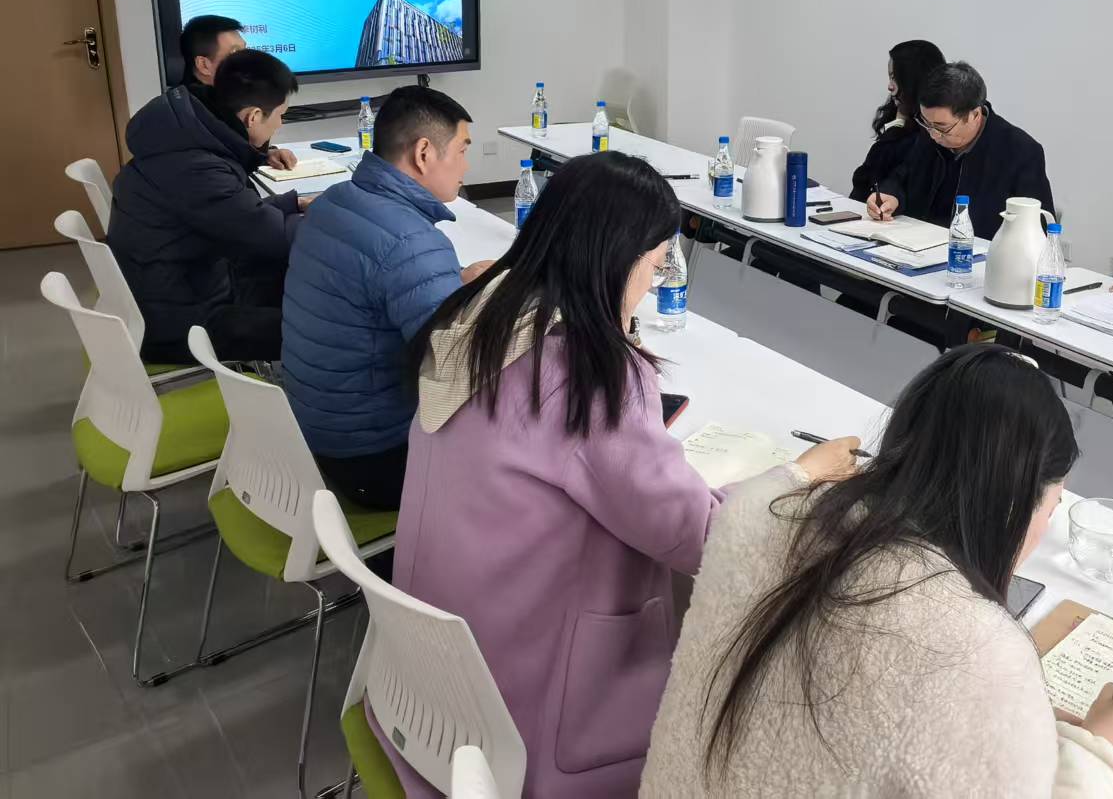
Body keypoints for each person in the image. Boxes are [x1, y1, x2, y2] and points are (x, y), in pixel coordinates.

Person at [378, 152, 860, 799]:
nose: (654, 282)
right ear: (617, 259)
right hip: (523, 726)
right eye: (655, 264)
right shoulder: (585, 371)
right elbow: (703, 536)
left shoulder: (482, 314)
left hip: (428, 693)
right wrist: (798, 473)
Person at [641, 345, 1113, 798]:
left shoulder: (760, 510)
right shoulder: (978, 653)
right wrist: (1108, 755)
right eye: (1053, 503)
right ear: (1010, 505)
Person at [280, 86, 495, 512]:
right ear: (423, 153)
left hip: (314, 428)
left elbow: (374, 289)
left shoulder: (334, 202)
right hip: (375, 459)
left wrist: (455, 281)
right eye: (462, 150)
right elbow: (459, 367)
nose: (467, 165)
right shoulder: (411, 241)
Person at [108, 50, 306, 363]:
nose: (280, 124)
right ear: (253, 116)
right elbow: (273, 237)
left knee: (299, 279)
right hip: (184, 323)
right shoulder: (197, 165)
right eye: (280, 115)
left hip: (188, 284)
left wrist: (294, 203)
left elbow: (236, 213)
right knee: (326, 328)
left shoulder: (185, 137)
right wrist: (334, 216)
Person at [867, 61, 1053, 239]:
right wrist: (891, 195)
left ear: (974, 115)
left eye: (942, 127)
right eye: (926, 122)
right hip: (918, 245)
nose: (933, 134)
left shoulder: (1020, 152)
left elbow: (1038, 227)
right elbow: (903, 175)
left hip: (976, 253)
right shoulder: (930, 133)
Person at [179, 14, 296, 170]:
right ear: (204, 65)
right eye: (235, 53)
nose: (248, 60)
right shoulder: (193, 117)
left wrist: (266, 155)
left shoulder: (224, 98)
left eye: (245, 50)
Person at [849, 39, 945, 202]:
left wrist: (896, 127)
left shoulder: (931, 136)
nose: (889, 86)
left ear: (912, 80)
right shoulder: (897, 114)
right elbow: (865, 179)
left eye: (895, 78)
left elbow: (882, 174)